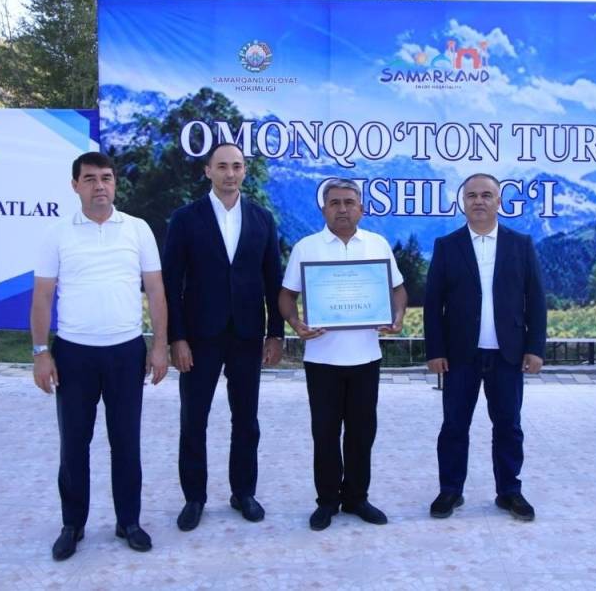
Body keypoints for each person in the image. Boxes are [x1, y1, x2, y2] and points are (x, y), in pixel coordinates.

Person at [30, 151, 168, 561]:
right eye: (89, 179)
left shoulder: (138, 229)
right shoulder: (57, 234)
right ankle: (72, 524)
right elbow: (43, 296)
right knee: (74, 443)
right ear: (75, 185)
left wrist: (159, 345)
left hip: (126, 351)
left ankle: (129, 522)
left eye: (106, 178)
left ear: (115, 183)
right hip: (74, 354)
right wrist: (40, 352)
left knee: (126, 441)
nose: (99, 186)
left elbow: (156, 290)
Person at [163, 142, 284, 532]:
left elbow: (273, 281)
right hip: (199, 337)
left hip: (247, 335)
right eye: (222, 166)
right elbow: (170, 283)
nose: (230, 173)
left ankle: (243, 492)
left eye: (237, 166)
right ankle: (194, 498)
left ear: (245, 171)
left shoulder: (262, 219)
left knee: (246, 419)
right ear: (208, 171)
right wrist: (176, 338)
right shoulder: (185, 219)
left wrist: (275, 333)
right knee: (193, 419)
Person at [279, 178, 407, 531]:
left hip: (366, 357)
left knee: (362, 433)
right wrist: (295, 323)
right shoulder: (306, 248)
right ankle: (326, 502)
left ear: (361, 209)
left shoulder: (377, 244)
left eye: (349, 202)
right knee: (325, 433)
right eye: (334, 203)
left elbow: (398, 290)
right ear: (323, 209)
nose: (342, 209)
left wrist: (397, 316)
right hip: (322, 359)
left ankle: (356, 498)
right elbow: (286, 295)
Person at [424, 173, 547, 521]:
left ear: (498, 202)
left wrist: (535, 347)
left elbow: (536, 299)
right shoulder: (447, 246)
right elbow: (433, 304)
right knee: (454, 425)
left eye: (486, 195)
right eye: (472, 195)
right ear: (462, 202)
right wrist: (435, 350)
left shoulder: (520, 244)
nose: (478, 201)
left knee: (508, 425)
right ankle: (450, 490)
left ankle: (509, 491)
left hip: (508, 353)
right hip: (459, 355)